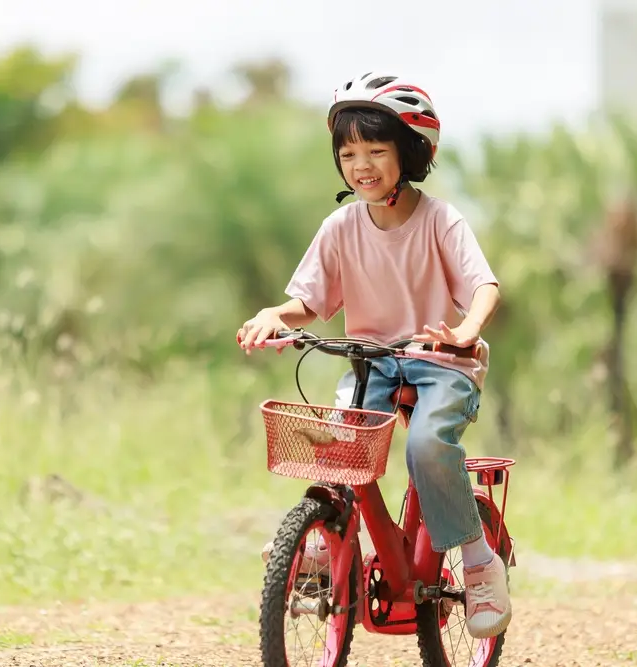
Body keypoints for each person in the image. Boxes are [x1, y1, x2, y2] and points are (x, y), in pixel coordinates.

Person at [236, 71, 511, 639]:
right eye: (349, 152)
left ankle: (480, 561)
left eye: (376, 150)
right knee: (340, 438)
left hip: (441, 363)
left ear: (410, 153)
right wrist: (273, 316)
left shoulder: (440, 220)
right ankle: (328, 538)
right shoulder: (340, 227)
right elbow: (306, 302)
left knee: (430, 445)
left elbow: (484, 286)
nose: (360, 164)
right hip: (373, 361)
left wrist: (465, 331)